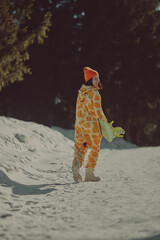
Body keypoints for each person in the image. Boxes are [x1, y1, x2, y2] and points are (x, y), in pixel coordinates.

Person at [72, 66, 107, 183]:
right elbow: (99, 112)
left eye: (98, 78)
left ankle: (76, 166)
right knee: (95, 147)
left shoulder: (81, 92)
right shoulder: (95, 94)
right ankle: (89, 174)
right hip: (91, 124)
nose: (98, 80)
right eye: (95, 78)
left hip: (79, 124)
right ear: (89, 80)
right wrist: (106, 124)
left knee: (80, 147)